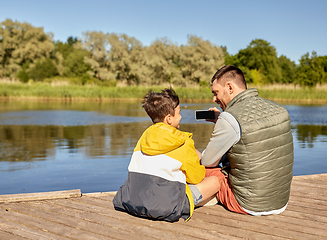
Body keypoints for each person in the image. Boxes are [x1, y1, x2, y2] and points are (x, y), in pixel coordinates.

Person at [113, 88, 220, 222]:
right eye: (179, 113)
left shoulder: (143, 138)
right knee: (215, 181)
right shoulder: (182, 141)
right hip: (165, 206)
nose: (181, 117)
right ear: (169, 119)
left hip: (133, 199)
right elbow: (197, 178)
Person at [201, 65, 294, 216]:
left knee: (203, 168)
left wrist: (223, 121)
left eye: (216, 93)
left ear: (230, 87)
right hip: (281, 202)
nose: (214, 99)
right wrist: (221, 121)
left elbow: (208, 162)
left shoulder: (230, 118)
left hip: (249, 204)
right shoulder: (280, 110)